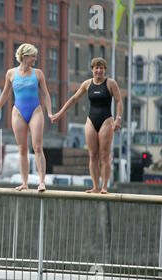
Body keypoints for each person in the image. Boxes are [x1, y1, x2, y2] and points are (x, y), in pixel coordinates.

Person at [51, 57, 123, 194]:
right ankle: (95, 186)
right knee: (93, 155)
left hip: (106, 120)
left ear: (105, 70)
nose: (99, 70)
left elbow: (119, 101)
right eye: (96, 68)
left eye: (101, 68)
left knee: (104, 155)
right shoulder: (87, 84)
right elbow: (74, 99)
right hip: (91, 120)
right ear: (92, 70)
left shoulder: (110, 83)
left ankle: (104, 187)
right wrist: (60, 113)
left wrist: (118, 119)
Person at [0, 43, 52, 192]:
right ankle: (25, 183)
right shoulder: (11, 73)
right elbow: (5, 93)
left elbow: (45, 93)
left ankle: (42, 182)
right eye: (33, 57)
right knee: (22, 148)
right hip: (18, 112)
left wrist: (49, 112)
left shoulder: (38, 74)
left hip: (35, 111)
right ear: (25, 57)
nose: (35, 59)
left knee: (37, 147)